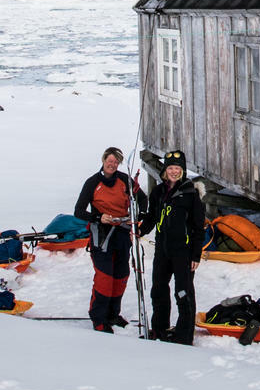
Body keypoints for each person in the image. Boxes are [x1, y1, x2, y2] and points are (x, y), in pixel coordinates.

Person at [143, 149, 205, 344]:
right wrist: (139, 230)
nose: (174, 172)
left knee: (183, 291)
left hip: (183, 252)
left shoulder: (191, 193)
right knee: (159, 289)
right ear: (164, 170)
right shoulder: (158, 192)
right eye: (170, 168)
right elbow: (152, 217)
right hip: (163, 249)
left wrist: (196, 255)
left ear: (183, 170)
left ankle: (184, 335)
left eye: (177, 168)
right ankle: (159, 329)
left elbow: (198, 227)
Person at [73, 147, 136, 333]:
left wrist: (137, 213)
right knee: (104, 277)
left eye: (116, 162)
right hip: (101, 235)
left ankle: (113, 314)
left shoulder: (124, 179)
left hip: (122, 232)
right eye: (110, 161)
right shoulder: (92, 182)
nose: (112, 165)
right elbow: (79, 211)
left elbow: (141, 198)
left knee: (121, 275)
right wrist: (98, 218)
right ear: (103, 160)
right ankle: (99, 318)